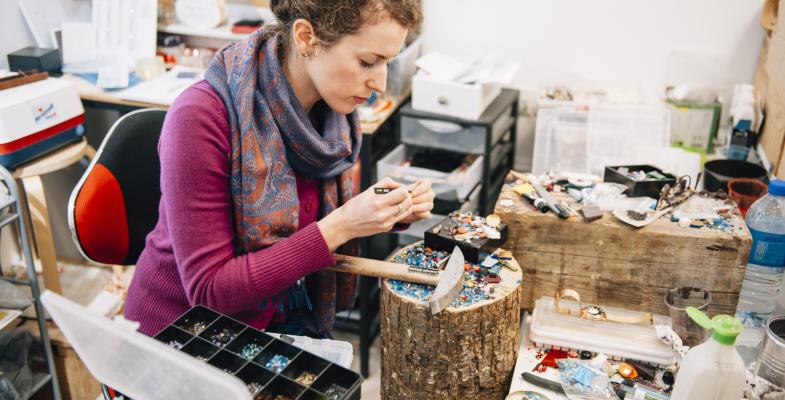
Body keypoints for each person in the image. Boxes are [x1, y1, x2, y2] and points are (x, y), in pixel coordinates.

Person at [124, 0, 429, 338]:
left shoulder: (329, 114)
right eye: (368, 62)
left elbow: (304, 218)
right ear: (305, 38)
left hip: (279, 317)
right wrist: (343, 225)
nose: (380, 84)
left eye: (387, 62)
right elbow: (210, 291)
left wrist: (386, 212)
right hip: (184, 331)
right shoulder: (200, 117)